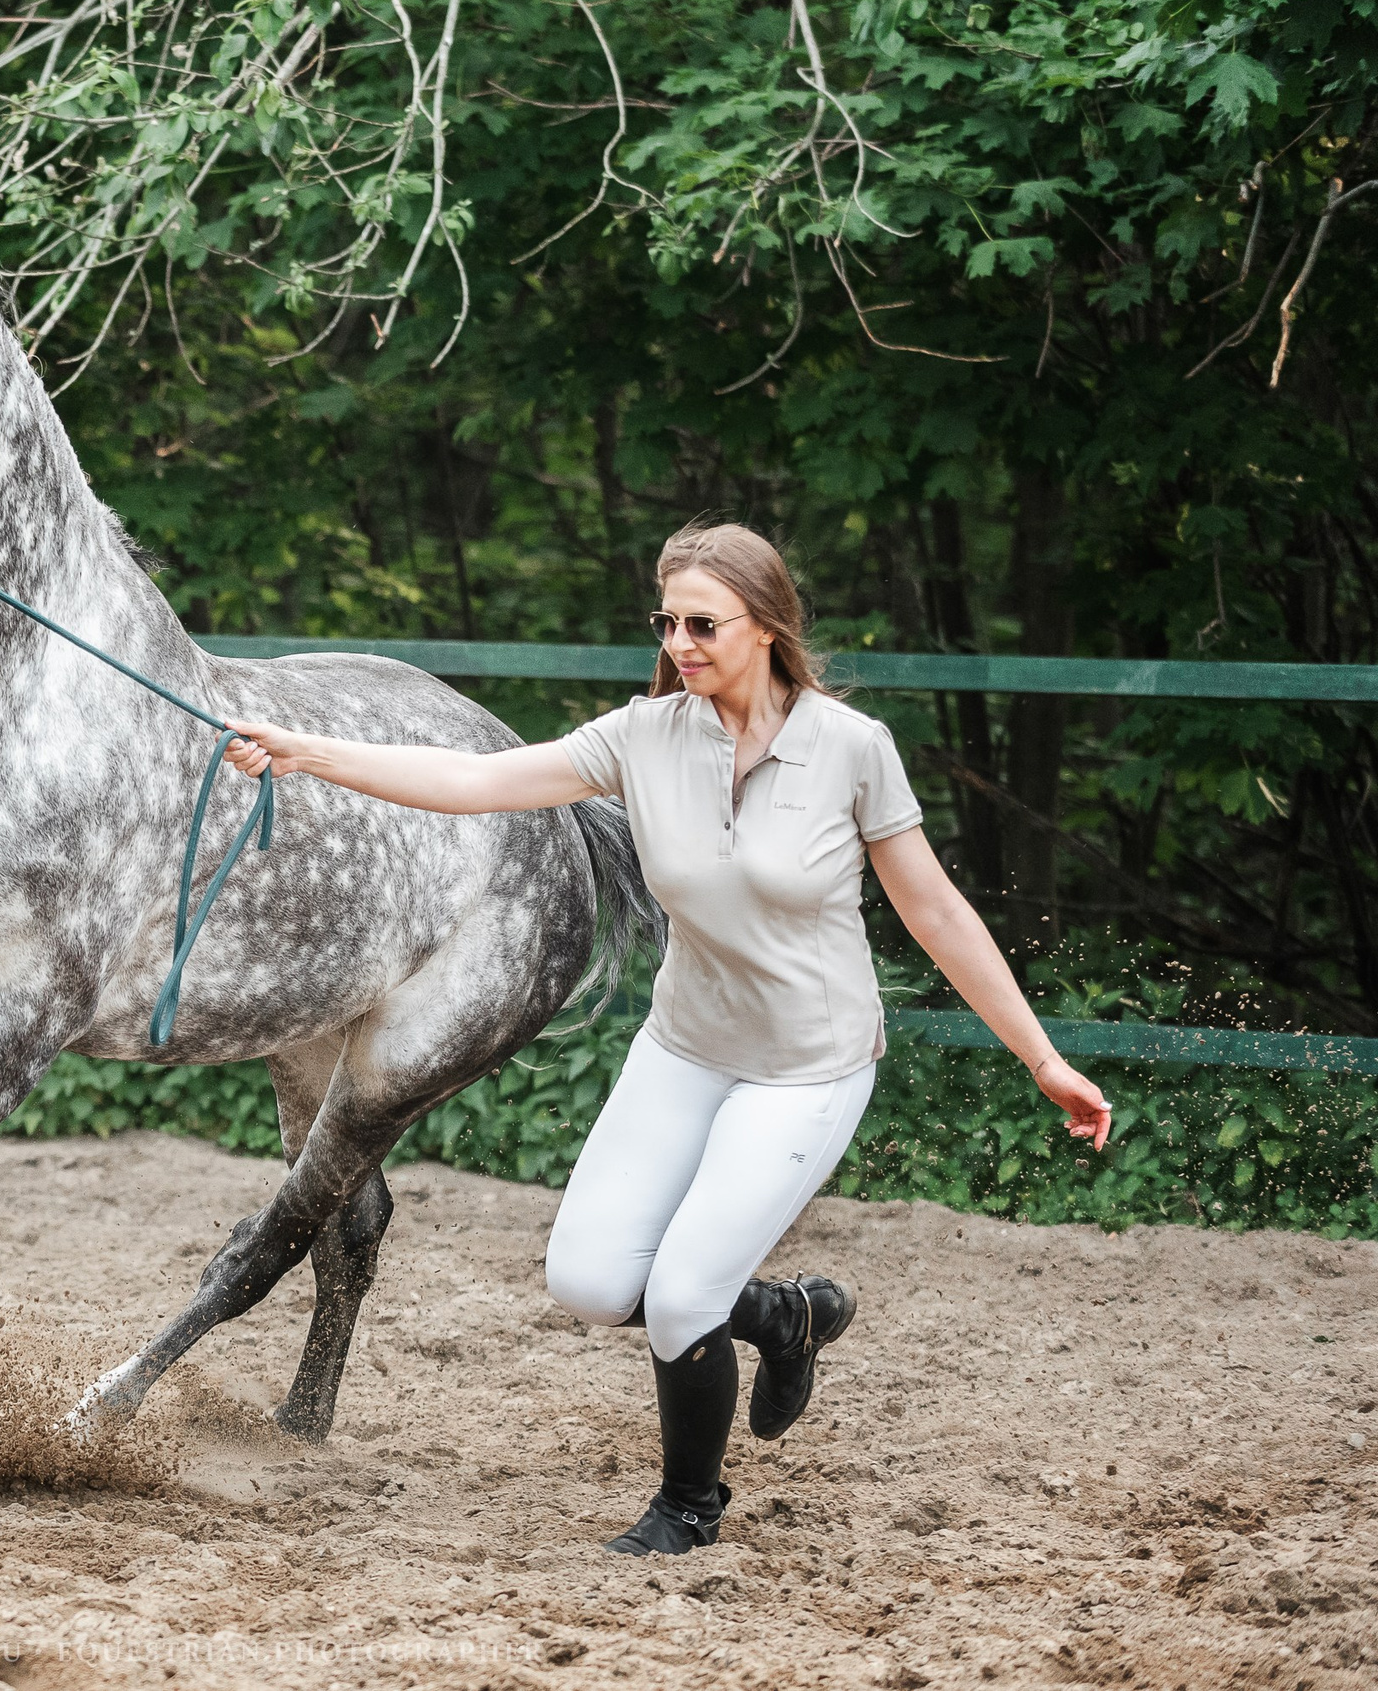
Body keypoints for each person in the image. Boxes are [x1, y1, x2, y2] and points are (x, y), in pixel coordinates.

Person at [222, 522, 1113, 1556]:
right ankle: (783, 1317)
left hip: (806, 1065)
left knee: (683, 1291)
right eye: (669, 622)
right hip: (685, 1046)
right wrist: (305, 752)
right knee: (590, 1279)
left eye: (703, 623)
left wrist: (1041, 1056)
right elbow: (471, 780)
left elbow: (937, 911)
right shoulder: (645, 735)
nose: (680, 640)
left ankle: (687, 1503)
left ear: (768, 626)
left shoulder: (849, 749)